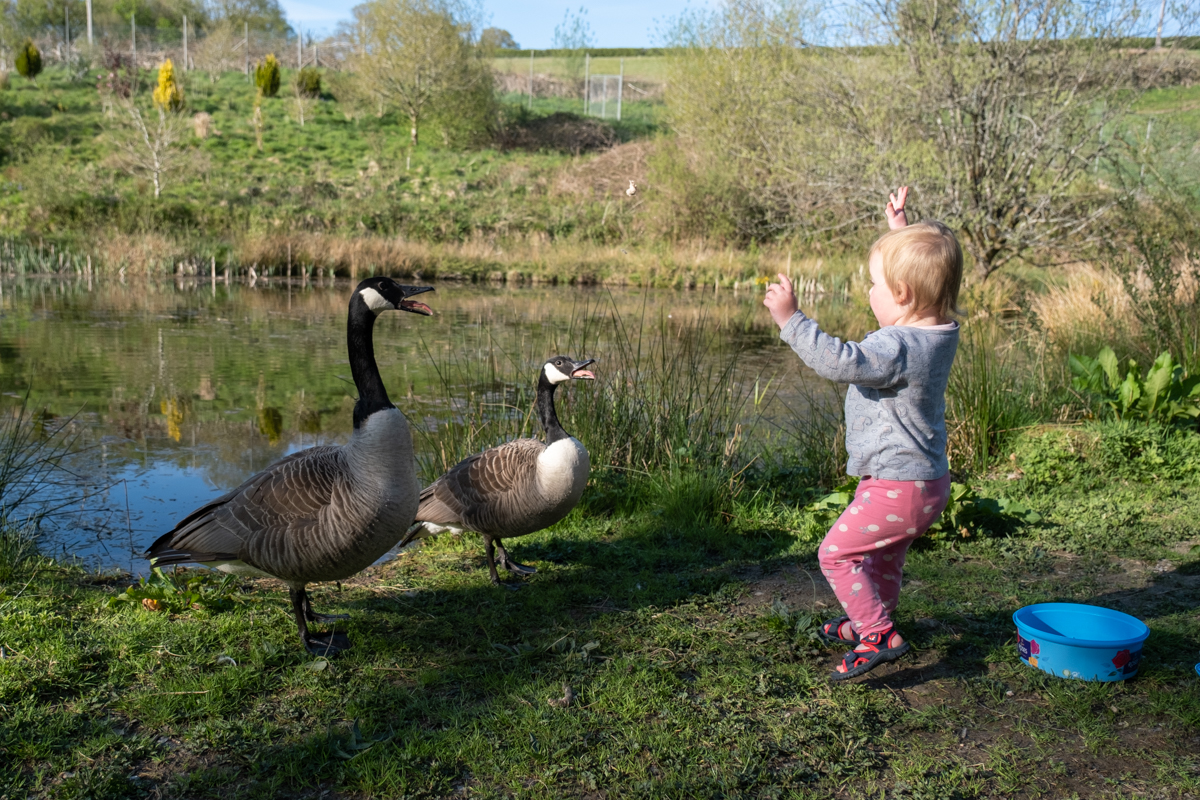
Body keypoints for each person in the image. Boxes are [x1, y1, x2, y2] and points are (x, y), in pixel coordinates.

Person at [763, 187, 963, 680]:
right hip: (925, 482)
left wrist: (791, 320)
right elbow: (924, 280)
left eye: (875, 284)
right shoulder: (938, 331)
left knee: (836, 554)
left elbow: (839, 361)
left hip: (898, 484)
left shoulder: (896, 345)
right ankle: (871, 618)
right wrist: (902, 233)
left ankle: (876, 634)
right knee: (881, 560)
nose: (869, 292)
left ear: (902, 294)